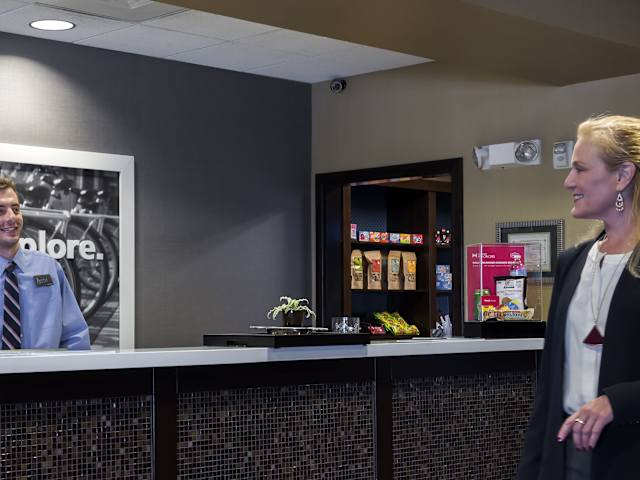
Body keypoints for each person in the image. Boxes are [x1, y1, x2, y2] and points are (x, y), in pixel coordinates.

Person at [518, 114, 640, 480]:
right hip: (566, 456)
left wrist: (618, 401)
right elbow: (548, 388)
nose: (568, 181)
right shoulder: (572, 262)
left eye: (581, 169)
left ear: (623, 175)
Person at [0, 176, 89, 350]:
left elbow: (75, 336)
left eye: (16, 209)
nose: (12, 217)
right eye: (0, 211)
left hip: (44, 368)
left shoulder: (49, 268)